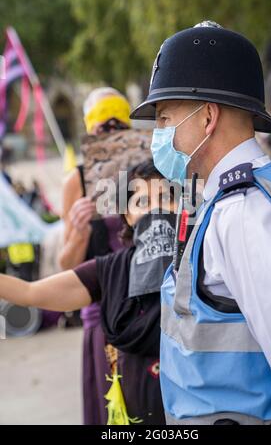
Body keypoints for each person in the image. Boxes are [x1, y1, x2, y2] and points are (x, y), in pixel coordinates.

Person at [130, 20, 271, 425]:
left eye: (164, 118)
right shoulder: (260, 191)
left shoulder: (243, 213)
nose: (158, 135)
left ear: (208, 117)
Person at [0, 160, 177, 425]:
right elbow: (29, 292)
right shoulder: (109, 270)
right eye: (141, 202)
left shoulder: (205, 258)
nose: (156, 209)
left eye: (165, 197)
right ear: (126, 216)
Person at [59, 87, 130, 424]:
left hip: (143, 308)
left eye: (121, 124)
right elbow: (65, 265)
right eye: (104, 125)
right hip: (100, 310)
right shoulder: (76, 181)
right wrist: (79, 231)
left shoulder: (148, 173)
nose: (112, 131)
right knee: (111, 410)